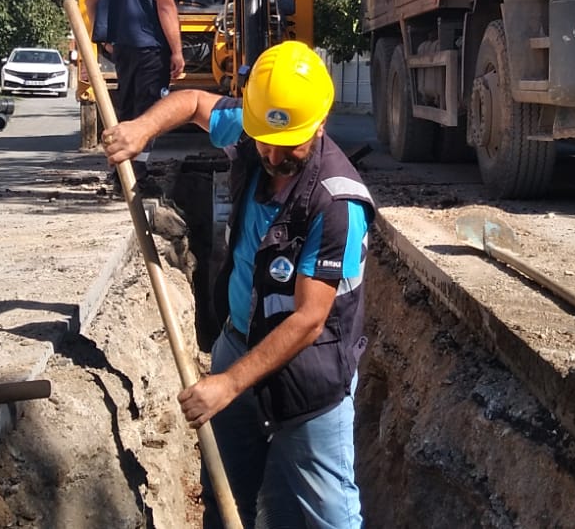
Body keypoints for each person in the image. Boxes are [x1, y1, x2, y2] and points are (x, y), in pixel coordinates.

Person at [101, 41, 374, 529]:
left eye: (288, 142)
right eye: (264, 138)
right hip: (238, 340)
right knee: (226, 494)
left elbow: (309, 319)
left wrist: (227, 384)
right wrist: (142, 128)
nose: (272, 153)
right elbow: (194, 102)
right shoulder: (256, 132)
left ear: (319, 123)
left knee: (326, 515)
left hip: (309, 374)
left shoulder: (337, 204)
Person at [82, 0, 185, 181]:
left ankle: (120, 173)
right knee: (149, 112)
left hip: (122, 47)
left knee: (125, 107)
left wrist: (105, 36)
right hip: (151, 48)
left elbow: (91, 1)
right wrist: (177, 51)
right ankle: (136, 175)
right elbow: (165, 4)